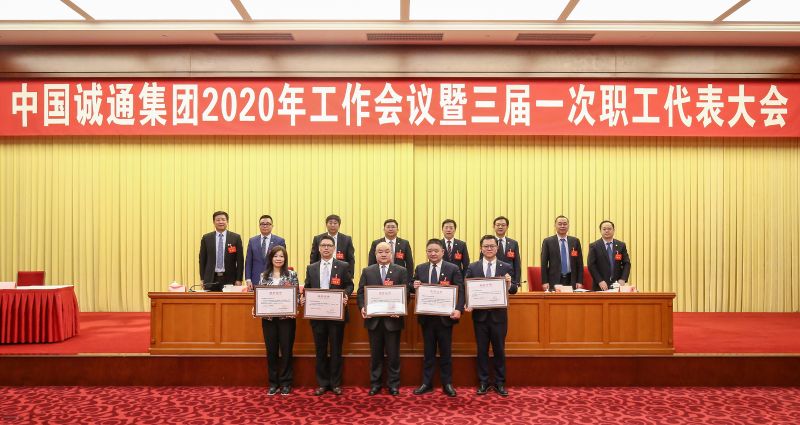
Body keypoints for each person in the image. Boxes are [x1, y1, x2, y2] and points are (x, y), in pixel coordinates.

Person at [465, 235, 518, 397]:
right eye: (486, 246)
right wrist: (468, 302)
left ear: (497, 248)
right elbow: (466, 287)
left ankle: (500, 383)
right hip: (480, 317)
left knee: (499, 350)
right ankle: (483, 382)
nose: (489, 249)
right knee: (481, 350)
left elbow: (514, 289)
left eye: (492, 246)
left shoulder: (506, 266)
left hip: (498, 317)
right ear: (481, 249)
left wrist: (509, 284)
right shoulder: (473, 267)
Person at [411, 239, 464, 397]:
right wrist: (414, 285)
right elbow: (412, 286)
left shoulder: (452, 268)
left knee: (446, 352)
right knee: (428, 353)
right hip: (427, 318)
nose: (433, 253)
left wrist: (458, 309)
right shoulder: (420, 268)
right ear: (426, 252)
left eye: (436, 251)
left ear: (442, 252)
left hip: (445, 318)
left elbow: (461, 290)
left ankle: (447, 383)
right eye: (429, 251)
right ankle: (426, 383)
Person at [303, 235, 354, 396]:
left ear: (334, 248)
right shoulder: (311, 267)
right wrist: (304, 297)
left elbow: (350, 285)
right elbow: (307, 287)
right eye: (323, 245)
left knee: (336, 349)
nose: (326, 248)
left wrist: (345, 294)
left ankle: (335, 383)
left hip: (336, 315)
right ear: (319, 248)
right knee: (320, 350)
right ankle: (322, 383)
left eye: (329, 245)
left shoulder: (343, 266)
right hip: (317, 316)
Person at [357, 241, 409, 396]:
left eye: (387, 251)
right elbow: (361, 293)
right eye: (380, 252)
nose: (384, 254)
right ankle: (375, 384)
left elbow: (406, 293)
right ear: (375, 254)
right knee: (376, 355)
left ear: (391, 253)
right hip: (373, 321)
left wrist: (400, 309)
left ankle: (393, 384)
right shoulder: (368, 271)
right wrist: (362, 307)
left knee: (393, 355)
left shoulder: (401, 271)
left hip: (393, 320)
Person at [253, 245, 299, 395]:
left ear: (285, 259)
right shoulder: (264, 276)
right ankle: (273, 383)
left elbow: (297, 296)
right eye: (276, 256)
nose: (278, 259)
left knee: (286, 350)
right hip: (269, 320)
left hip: (287, 319)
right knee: (271, 351)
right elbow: (260, 296)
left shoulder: (291, 275)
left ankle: (286, 383)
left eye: (281, 256)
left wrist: (295, 307)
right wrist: (256, 307)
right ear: (271, 258)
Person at [198, 210, 243, 291]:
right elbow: (202, 260)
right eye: (218, 220)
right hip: (210, 279)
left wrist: (239, 279)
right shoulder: (206, 238)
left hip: (229, 279)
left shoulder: (235, 238)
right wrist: (202, 279)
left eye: (223, 219)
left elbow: (240, 260)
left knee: (228, 299)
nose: (221, 222)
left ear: (227, 221)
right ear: (214, 222)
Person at [540, 215, 584, 291]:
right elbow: (544, 263)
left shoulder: (575, 241)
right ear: (555, 226)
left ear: (568, 226)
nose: (562, 226)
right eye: (560, 224)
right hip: (554, 279)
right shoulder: (548, 241)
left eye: (565, 224)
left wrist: (579, 281)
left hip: (571, 279)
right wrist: (545, 281)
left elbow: (579, 263)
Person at [587, 220, 632, 291]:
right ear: (600, 231)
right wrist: (600, 281)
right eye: (604, 229)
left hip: (618, 284)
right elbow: (591, 265)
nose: (607, 231)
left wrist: (623, 279)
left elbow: (627, 263)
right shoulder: (594, 246)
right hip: (600, 285)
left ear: (613, 230)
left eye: (609, 229)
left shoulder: (621, 245)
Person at [245, 215, 287, 288]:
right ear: (259, 226)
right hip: (255, 279)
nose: (265, 226)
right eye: (262, 224)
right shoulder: (252, 241)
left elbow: (283, 260)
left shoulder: (279, 241)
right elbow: (248, 261)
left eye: (267, 224)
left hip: (274, 279)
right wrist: (248, 279)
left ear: (272, 226)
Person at [368, 219, 414, 283]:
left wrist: (408, 281)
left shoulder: (404, 243)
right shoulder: (376, 243)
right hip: (380, 277)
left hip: (399, 277)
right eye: (388, 227)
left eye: (393, 227)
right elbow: (371, 262)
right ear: (384, 229)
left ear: (397, 229)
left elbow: (409, 264)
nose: (390, 229)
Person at [491, 216, 522, 284]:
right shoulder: (488, 242)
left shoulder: (513, 243)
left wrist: (517, 282)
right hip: (492, 279)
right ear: (493, 226)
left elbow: (517, 264)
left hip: (510, 279)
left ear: (507, 227)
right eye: (498, 225)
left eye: (503, 225)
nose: (500, 227)